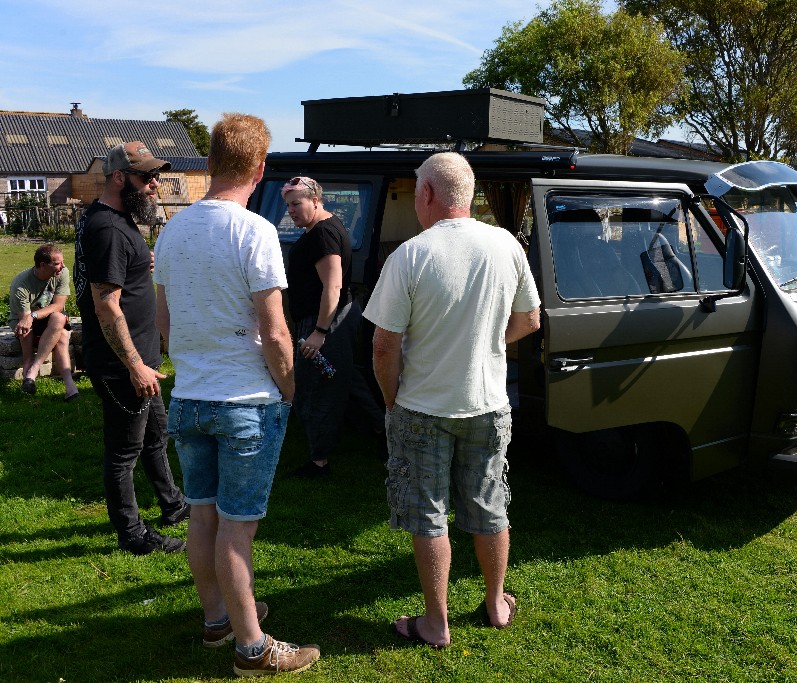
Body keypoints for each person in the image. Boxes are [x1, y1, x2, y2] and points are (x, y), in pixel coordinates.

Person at [154, 113, 319, 676]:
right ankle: (253, 647)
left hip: (190, 396)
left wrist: (193, 364)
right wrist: (290, 389)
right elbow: (275, 332)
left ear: (208, 162)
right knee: (236, 526)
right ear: (261, 167)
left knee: (203, 515)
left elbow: (165, 324)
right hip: (245, 398)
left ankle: (217, 618)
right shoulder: (255, 230)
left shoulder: (171, 230)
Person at [363, 152, 541, 648]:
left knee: (428, 514)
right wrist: (482, 345)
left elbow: (383, 344)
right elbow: (530, 321)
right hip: (487, 403)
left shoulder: (411, 254)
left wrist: (391, 399)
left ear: (427, 194)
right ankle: (495, 602)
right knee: (489, 507)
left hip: (422, 406)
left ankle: (436, 623)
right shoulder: (506, 244)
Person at [74, 141, 190, 556]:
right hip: (123, 365)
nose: (155, 185)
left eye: (155, 176)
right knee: (124, 451)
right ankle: (132, 534)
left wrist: (142, 262)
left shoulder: (114, 220)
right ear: (120, 178)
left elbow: (113, 273)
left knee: (156, 436)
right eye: (146, 177)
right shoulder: (106, 226)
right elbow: (106, 306)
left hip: (142, 361)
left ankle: (173, 506)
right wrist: (135, 364)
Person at [282, 176, 384, 478]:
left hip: (324, 323)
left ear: (316, 200)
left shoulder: (323, 234)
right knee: (346, 380)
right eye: (288, 205)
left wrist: (320, 332)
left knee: (314, 389)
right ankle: (383, 430)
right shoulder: (323, 226)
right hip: (329, 319)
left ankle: (319, 462)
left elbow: (333, 286)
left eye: (296, 204)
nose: (291, 211)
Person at [8, 244, 79, 400]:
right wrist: (26, 358)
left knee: (59, 318)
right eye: (57, 263)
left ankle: (33, 372)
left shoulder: (62, 273)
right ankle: (70, 388)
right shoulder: (21, 284)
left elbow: (58, 306)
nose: (63, 266)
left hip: (47, 318)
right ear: (42, 265)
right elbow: (25, 323)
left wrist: (33, 315)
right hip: (22, 322)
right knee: (61, 335)